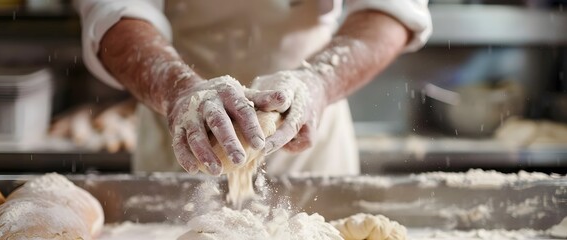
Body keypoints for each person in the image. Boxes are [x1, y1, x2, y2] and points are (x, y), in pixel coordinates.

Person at [74, 0, 432, 176]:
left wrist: (319, 82)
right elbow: (113, 10)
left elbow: (391, 9)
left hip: (307, 127)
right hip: (183, 127)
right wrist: (179, 90)